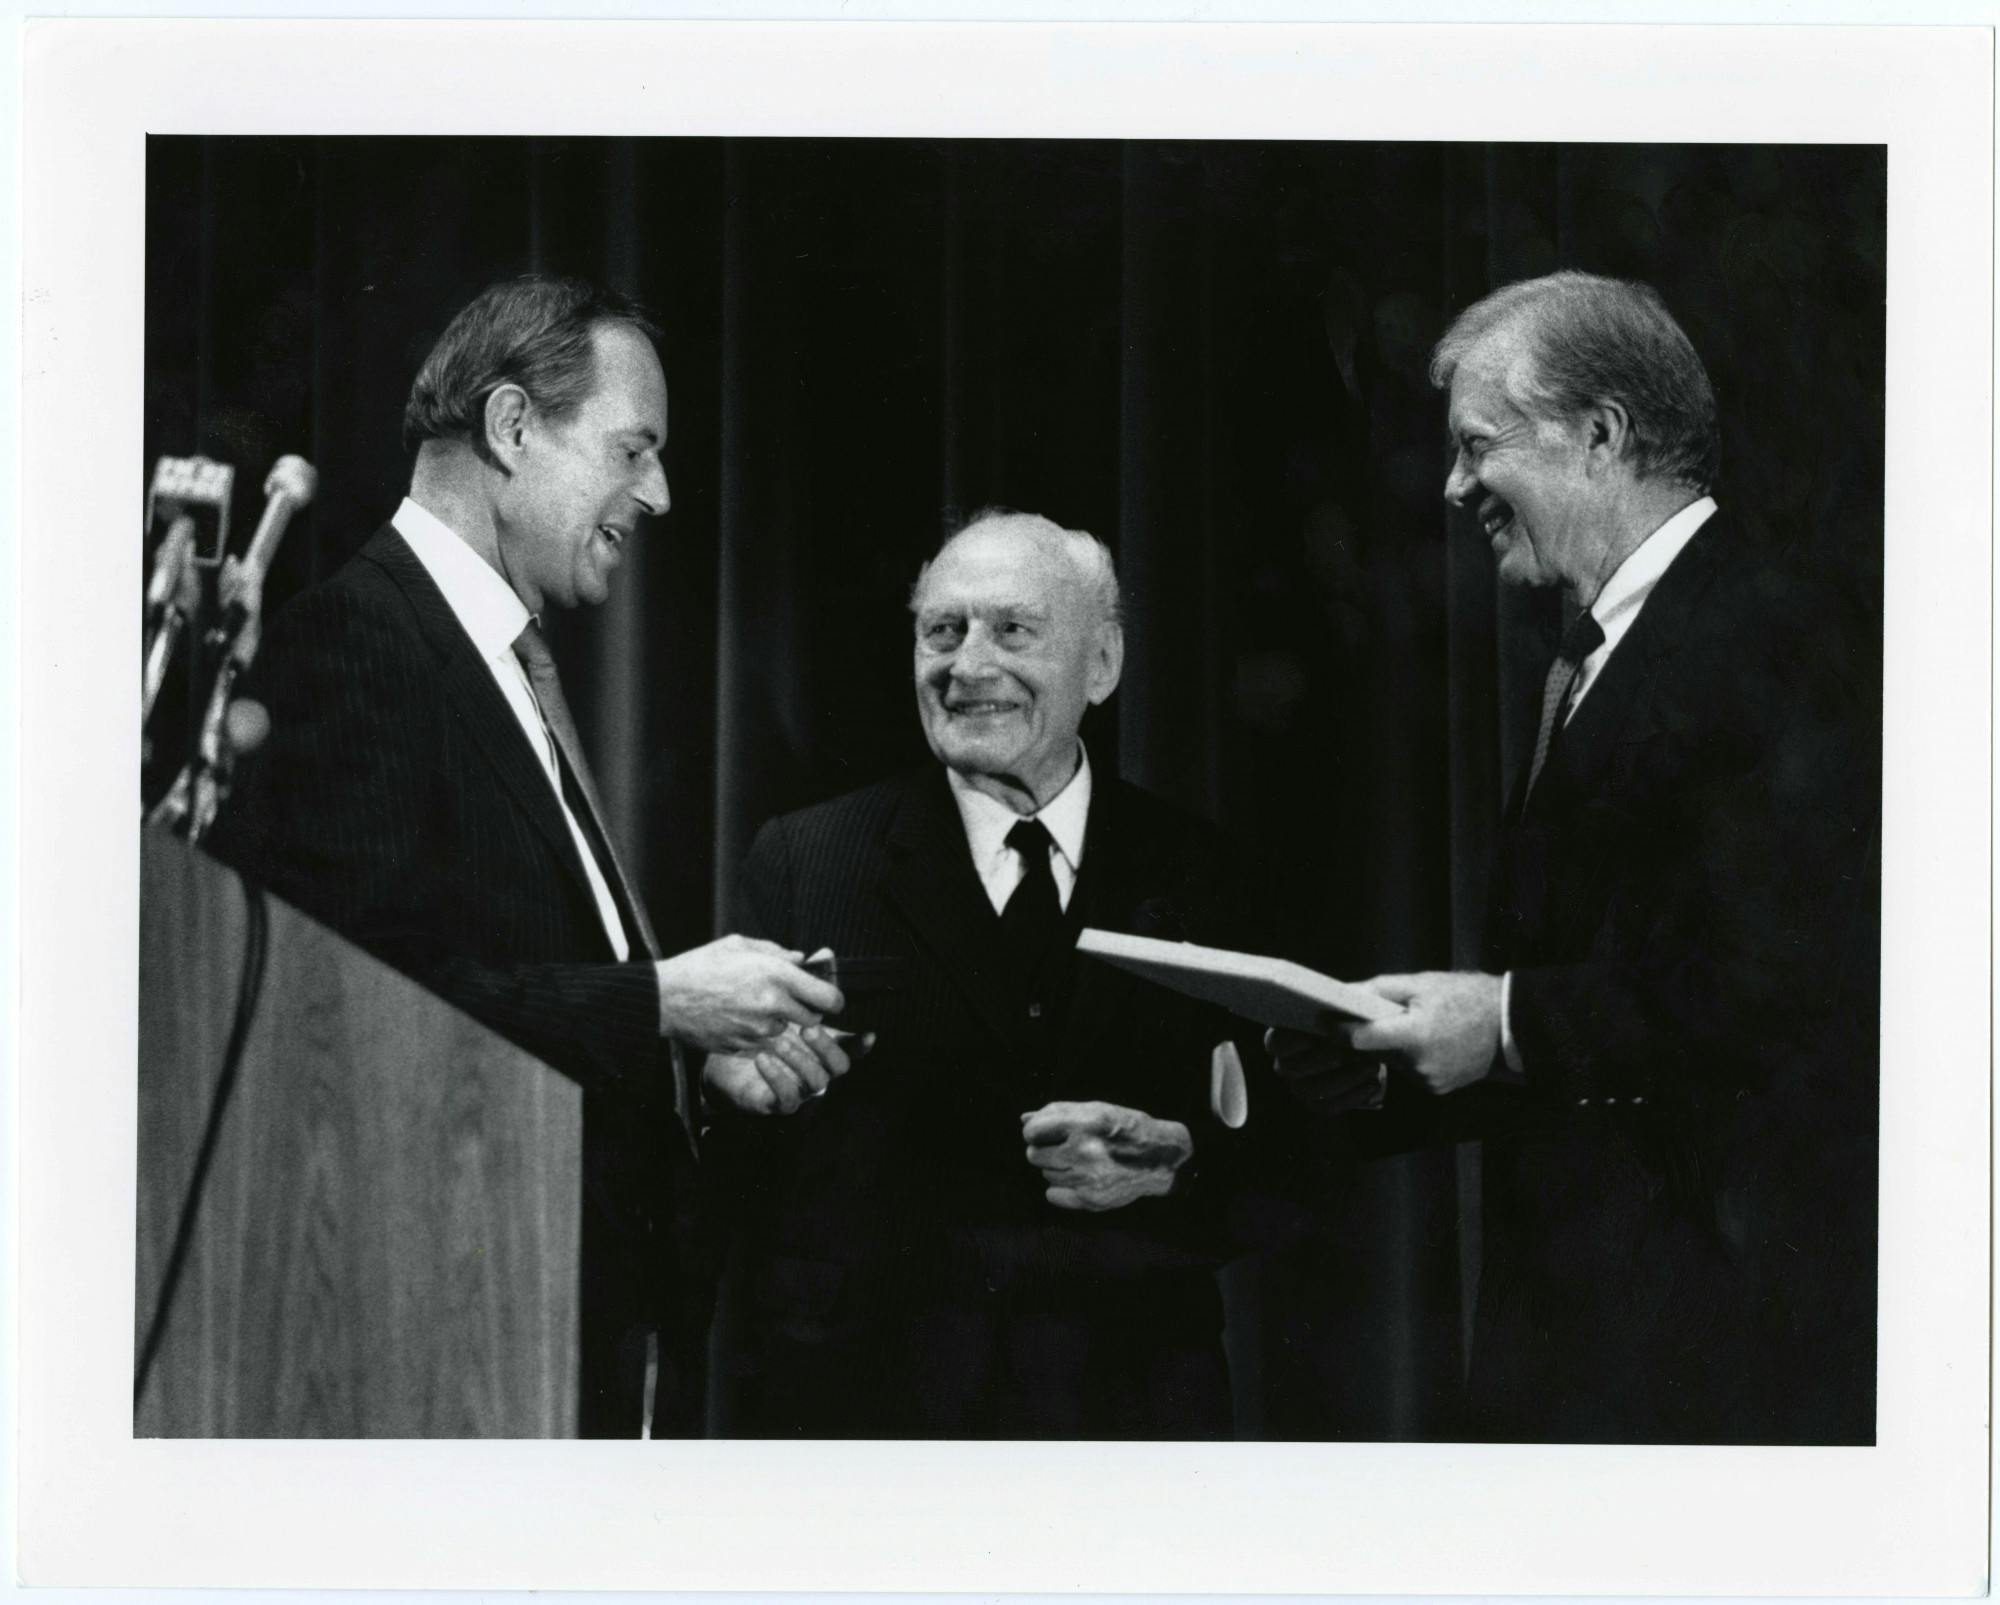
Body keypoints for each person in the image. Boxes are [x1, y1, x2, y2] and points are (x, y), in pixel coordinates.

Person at [210, 274, 847, 1436]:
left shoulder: (487, 647)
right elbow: (363, 1014)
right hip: (470, 1328)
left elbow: (503, 975)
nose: (655, 493)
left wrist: (687, 1054)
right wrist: (663, 999)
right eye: (630, 450)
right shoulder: (357, 640)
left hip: (560, 1319)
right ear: (510, 429)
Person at [1273, 271, 1877, 1444]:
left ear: (1598, 434)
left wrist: (1498, 1023)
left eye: (1474, 448)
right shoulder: (1599, 653)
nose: (1454, 489)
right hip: (1596, 1330)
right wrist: (1393, 1058)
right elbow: (1609, 984)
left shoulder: (1776, 635)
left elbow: (1781, 992)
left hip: (1706, 1351)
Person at [701, 510, 1286, 1439]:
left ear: (1102, 664)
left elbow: (1291, 1158)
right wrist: (732, 1089)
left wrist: (1179, 1166)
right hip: (879, 1429)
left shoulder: (1202, 874)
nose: (967, 665)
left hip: (1129, 1425)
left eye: (1013, 629)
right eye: (943, 630)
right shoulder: (804, 861)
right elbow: (740, 1166)